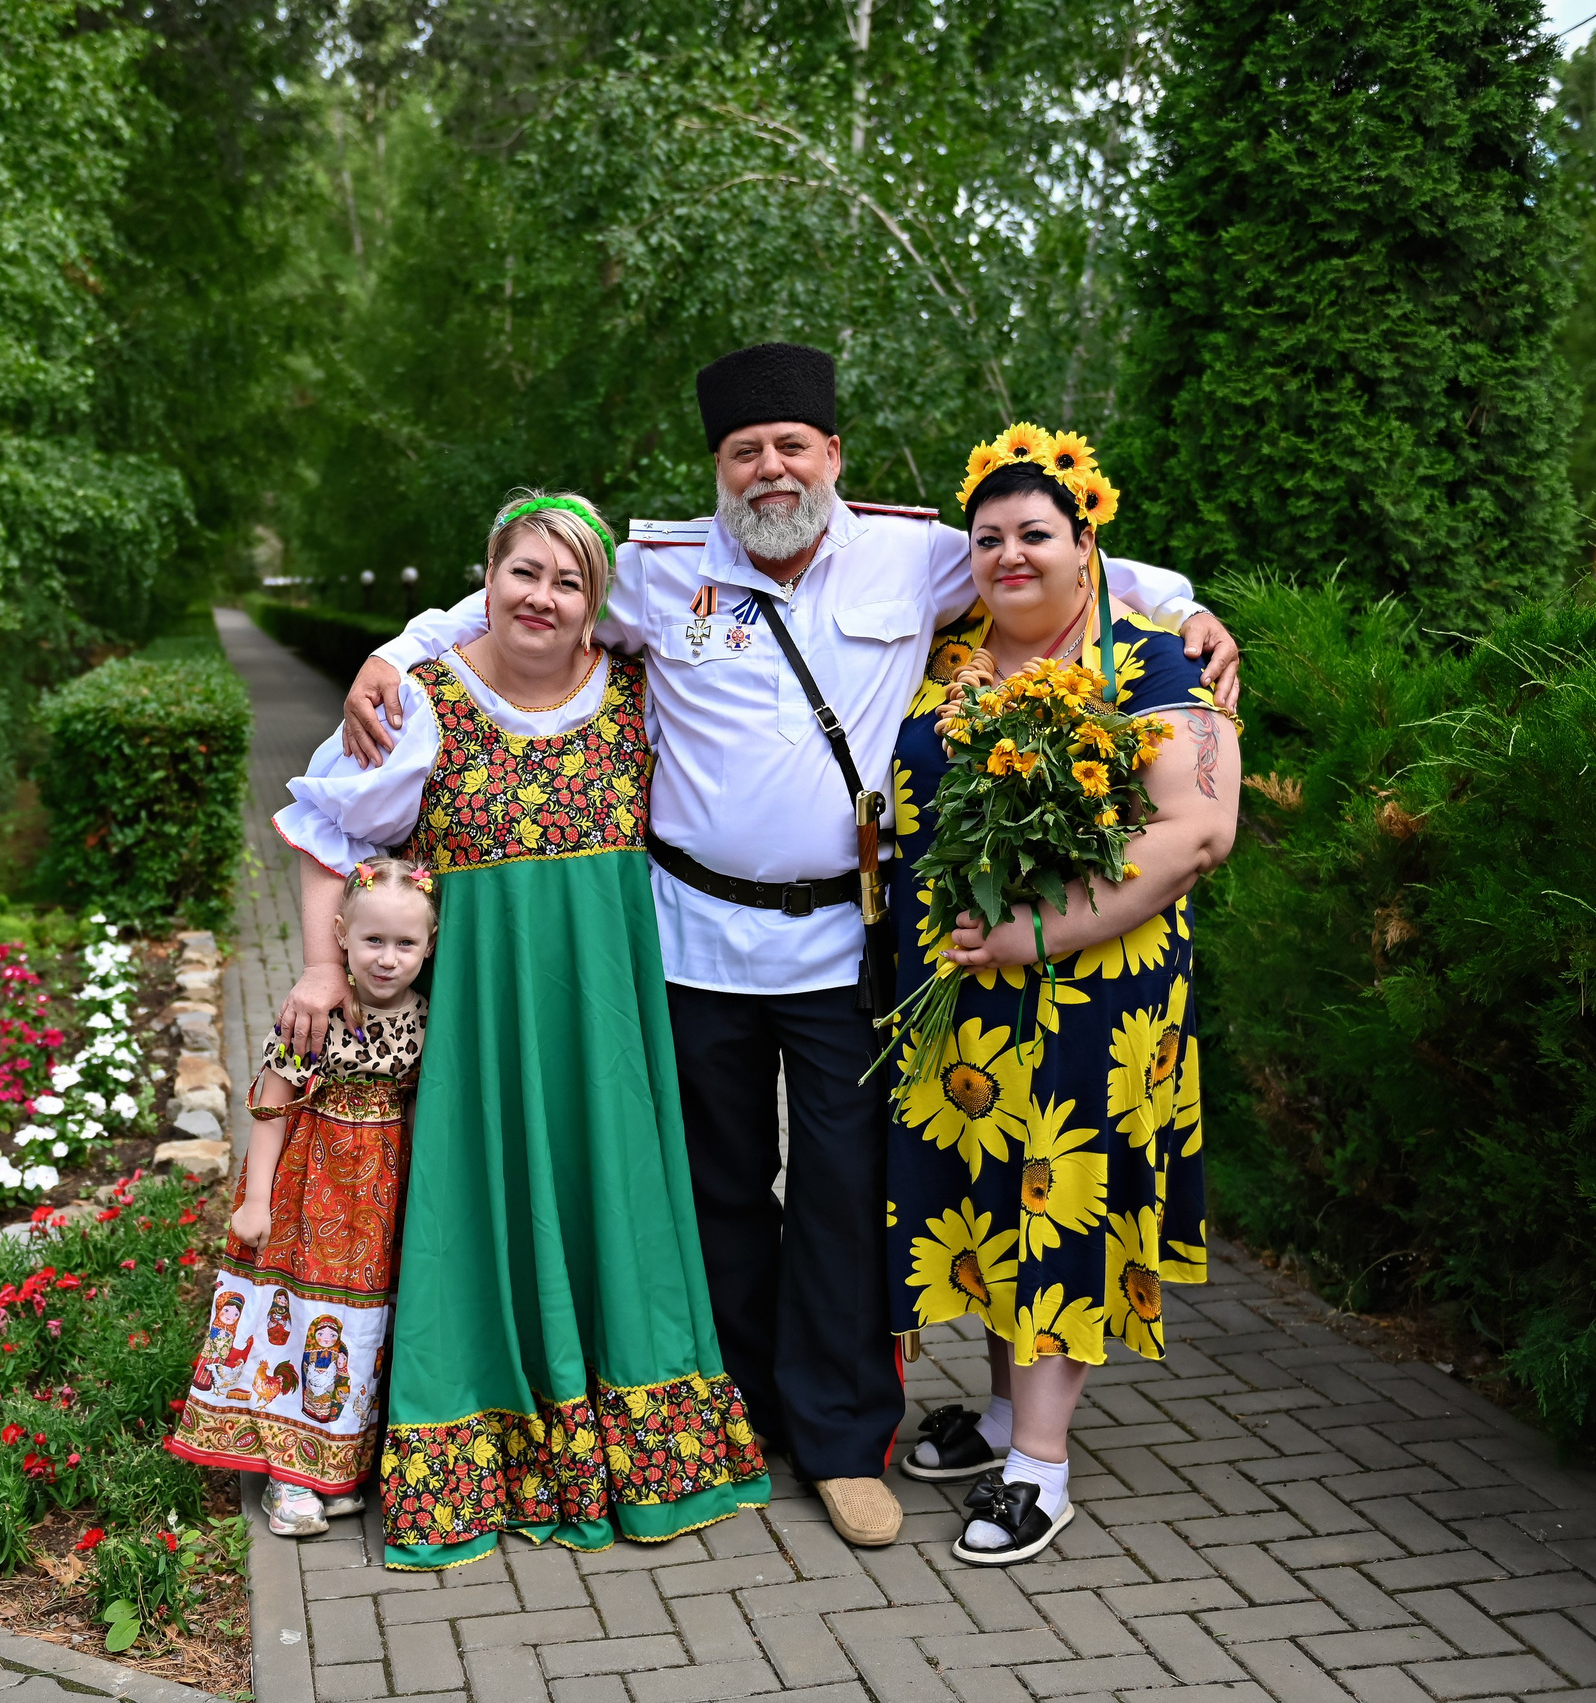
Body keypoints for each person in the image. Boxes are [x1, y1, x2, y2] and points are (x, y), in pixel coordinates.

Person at [331, 343, 1243, 1547]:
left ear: (833, 458)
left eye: (789, 447)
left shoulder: (912, 554)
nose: (768, 469)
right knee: (712, 1190)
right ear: (717, 467)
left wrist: (1185, 606)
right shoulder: (657, 568)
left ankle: (840, 1437)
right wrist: (394, 652)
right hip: (690, 937)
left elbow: (1067, 552)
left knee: (842, 1192)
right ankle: (738, 1407)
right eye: (742, 451)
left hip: (844, 939)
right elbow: (517, 585)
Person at [271, 491, 771, 1571]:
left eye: (569, 580)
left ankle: (632, 1432)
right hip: (482, 1029)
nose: (542, 597)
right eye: (523, 573)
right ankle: (476, 1438)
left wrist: (1173, 603)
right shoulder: (422, 702)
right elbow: (323, 824)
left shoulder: (640, 688)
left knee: (617, 1204)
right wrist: (320, 963)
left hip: (607, 1018)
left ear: (598, 601)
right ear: (485, 578)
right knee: (474, 1214)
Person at [886, 428, 1239, 1566]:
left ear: (1087, 543)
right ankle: (997, 1416)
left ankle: (1042, 1465)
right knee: (986, 1194)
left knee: (1059, 1201)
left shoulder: (1154, 661)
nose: (1009, 555)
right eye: (987, 538)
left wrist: (1038, 931)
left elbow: (1197, 830)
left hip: (1096, 991)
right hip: (963, 989)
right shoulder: (943, 660)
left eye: (1035, 533)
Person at [169, 857, 436, 1537]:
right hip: (308, 1185)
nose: (387, 958)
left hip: (380, 1196)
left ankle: (338, 1465)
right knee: (299, 1316)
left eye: (406, 944)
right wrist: (255, 1198)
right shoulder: (316, 1015)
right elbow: (271, 1102)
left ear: (430, 944)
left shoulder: (428, 1015)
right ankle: (288, 1475)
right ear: (340, 934)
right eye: (372, 940)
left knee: (361, 1327)